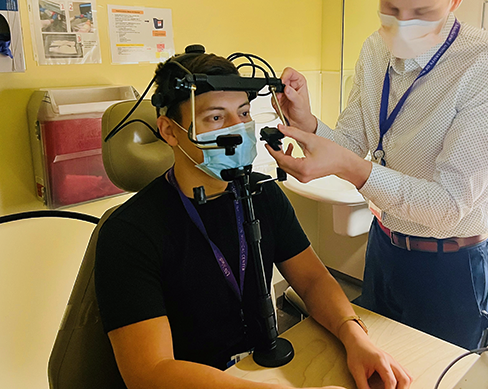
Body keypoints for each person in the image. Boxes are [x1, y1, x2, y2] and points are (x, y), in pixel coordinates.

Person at [94, 50, 413, 389]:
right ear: (170, 131)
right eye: (216, 118)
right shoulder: (130, 232)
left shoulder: (261, 194)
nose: (237, 128)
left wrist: (355, 337)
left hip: (261, 370)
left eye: (243, 113)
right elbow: (150, 373)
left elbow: (312, 281)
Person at [267, 0, 488, 350]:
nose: (402, 25)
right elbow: (353, 142)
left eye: (421, 13)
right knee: (370, 363)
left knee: (438, 376)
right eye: (390, 9)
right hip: (384, 249)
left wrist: (352, 168)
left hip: (451, 266)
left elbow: (447, 204)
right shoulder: (376, 49)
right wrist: (307, 121)